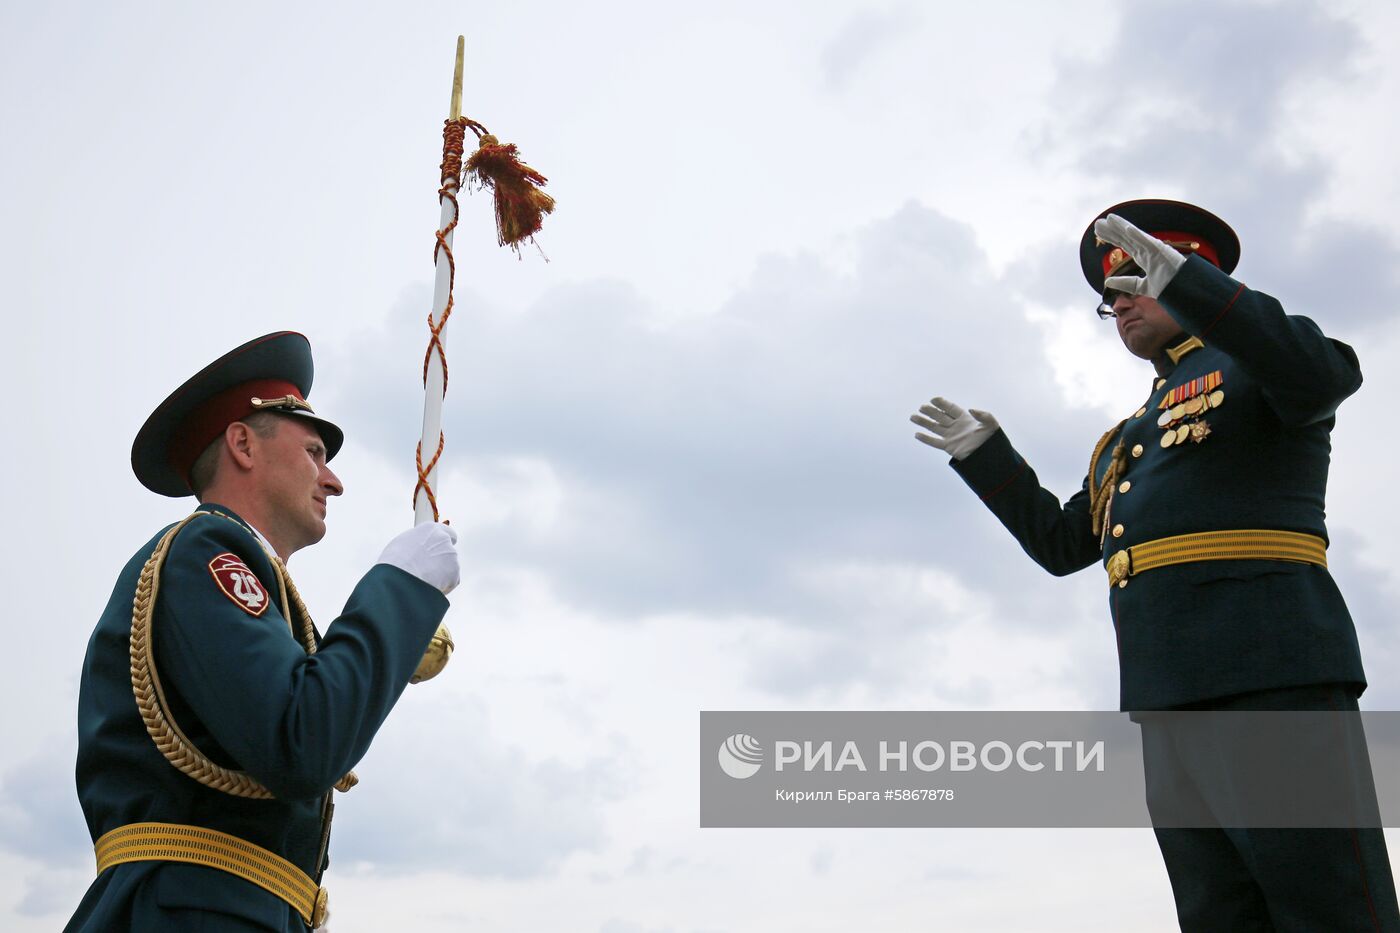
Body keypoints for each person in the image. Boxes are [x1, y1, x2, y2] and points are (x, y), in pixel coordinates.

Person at [910, 199, 1398, 930]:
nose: (1118, 304)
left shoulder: (1257, 367)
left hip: (1271, 677)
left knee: (1327, 905)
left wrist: (1193, 287)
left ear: (1186, 276)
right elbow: (1062, 546)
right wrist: (987, 459)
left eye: (1135, 282)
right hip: (1166, 698)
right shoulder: (1125, 440)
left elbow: (1323, 372)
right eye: (1109, 300)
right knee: (1220, 912)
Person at [66, 331, 460, 932]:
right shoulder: (208, 548)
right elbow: (301, 740)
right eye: (314, 453)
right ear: (244, 444)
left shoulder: (233, 569)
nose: (333, 482)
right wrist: (398, 592)